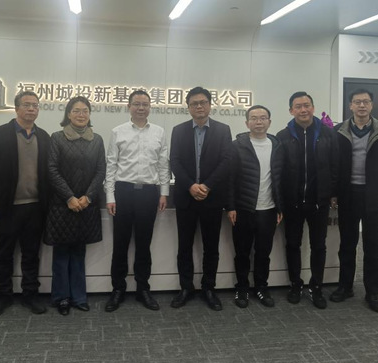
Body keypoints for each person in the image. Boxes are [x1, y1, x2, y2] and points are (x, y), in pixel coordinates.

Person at [0, 90, 51, 316]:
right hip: (7, 207)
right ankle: (3, 295)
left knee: (31, 254)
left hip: (36, 206)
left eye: (35, 105)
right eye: (27, 105)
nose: (31, 109)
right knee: (4, 253)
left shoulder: (44, 137)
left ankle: (30, 294)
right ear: (17, 108)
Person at [330, 88, 378, 313]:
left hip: (375, 197)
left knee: (372, 247)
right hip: (348, 195)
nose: (361, 105)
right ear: (350, 105)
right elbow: (334, 165)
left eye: (365, 102)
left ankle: (372, 293)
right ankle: (345, 287)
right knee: (347, 245)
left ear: (371, 105)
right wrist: (333, 193)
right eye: (357, 102)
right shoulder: (339, 131)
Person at [104, 90, 170, 312]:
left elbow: (163, 165)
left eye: (145, 104)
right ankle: (118, 289)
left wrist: (163, 193)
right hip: (123, 192)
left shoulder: (159, 132)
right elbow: (111, 165)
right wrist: (110, 196)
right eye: (136, 104)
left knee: (144, 244)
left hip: (148, 193)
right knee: (120, 244)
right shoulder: (118, 131)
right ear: (129, 107)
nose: (141, 108)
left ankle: (143, 289)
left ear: (150, 107)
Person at [169, 86, 233, 311]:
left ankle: (209, 288)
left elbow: (226, 161)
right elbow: (174, 161)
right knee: (184, 246)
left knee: (211, 247)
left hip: (212, 198)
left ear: (210, 105)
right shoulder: (178, 131)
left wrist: (206, 185)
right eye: (194, 103)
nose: (199, 106)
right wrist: (190, 185)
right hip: (186, 198)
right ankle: (186, 288)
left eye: (203, 102)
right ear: (188, 107)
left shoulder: (223, 130)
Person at [275, 91, 338, 310]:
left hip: (319, 201)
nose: (303, 110)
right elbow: (278, 171)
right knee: (293, 244)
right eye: (298, 106)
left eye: (307, 105)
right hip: (292, 202)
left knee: (319, 245)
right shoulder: (283, 136)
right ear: (291, 110)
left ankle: (316, 286)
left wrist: (333, 193)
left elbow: (335, 166)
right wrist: (280, 201)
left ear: (313, 107)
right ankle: (295, 285)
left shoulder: (327, 134)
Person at [45, 97, 106, 315]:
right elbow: (52, 169)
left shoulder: (97, 140)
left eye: (85, 111)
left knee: (79, 253)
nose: (81, 115)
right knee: (61, 254)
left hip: (86, 205)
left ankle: (79, 297)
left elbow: (101, 171)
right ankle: (61, 298)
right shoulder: (57, 138)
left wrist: (87, 197)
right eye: (76, 110)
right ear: (68, 114)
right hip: (62, 206)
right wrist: (70, 197)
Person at [228, 105, 283, 308]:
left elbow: (281, 178)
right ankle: (241, 288)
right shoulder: (236, 146)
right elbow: (229, 179)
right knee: (242, 252)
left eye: (263, 118)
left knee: (263, 253)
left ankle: (261, 287)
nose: (258, 121)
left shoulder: (277, 146)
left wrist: (280, 207)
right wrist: (230, 207)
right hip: (243, 209)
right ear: (246, 122)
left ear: (269, 121)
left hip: (268, 210)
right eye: (254, 118)